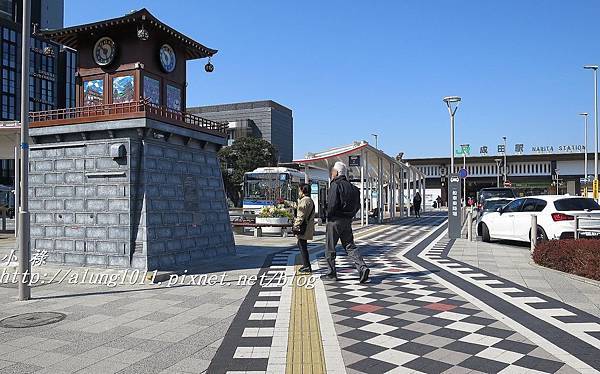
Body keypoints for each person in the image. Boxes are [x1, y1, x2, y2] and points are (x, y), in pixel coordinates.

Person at [324, 161, 370, 283]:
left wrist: (328, 216)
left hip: (335, 220)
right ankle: (362, 267)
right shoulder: (354, 188)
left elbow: (332, 204)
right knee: (350, 246)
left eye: (333, 171)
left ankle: (331, 273)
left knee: (330, 247)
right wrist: (350, 215)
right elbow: (358, 206)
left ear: (337, 172)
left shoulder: (335, 185)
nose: (332, 173)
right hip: (347, 221)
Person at [293, 184, 316, 273]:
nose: (299, 192)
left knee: (302, 246)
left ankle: (307, 266)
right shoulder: (309, 200)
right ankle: (306, 265)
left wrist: (296, 226)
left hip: (303, 227)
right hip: (308, 226)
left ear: (303, 191)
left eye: (299, 190)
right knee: (302, 245)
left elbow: (301, 216)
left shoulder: (304, 201)